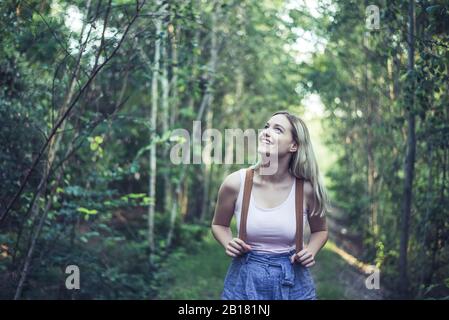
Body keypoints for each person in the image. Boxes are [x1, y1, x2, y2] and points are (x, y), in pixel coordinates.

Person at [211, 110, 330, 300]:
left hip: (293, 281)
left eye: (277, 129)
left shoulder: (306, 190)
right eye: (266, 126)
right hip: (244, 278)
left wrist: (311, 251)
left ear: (293, 145)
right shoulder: (235, 183)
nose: (266, 132)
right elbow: (219, 224)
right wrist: (228, 242)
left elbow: (321, 231)